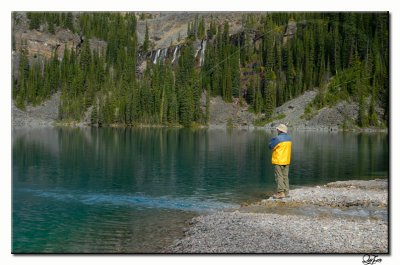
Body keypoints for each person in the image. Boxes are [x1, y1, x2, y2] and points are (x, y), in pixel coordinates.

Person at [268, 124, 292, 199]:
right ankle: (286, 192)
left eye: (277, 129)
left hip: (279, 160)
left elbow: (270, 146)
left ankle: (280, 192)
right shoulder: (289, 138)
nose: (277, 130)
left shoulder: (278, 139)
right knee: (285, 176)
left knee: (279, 176)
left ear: (280, 130)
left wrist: (272, 140)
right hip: (286, 160)